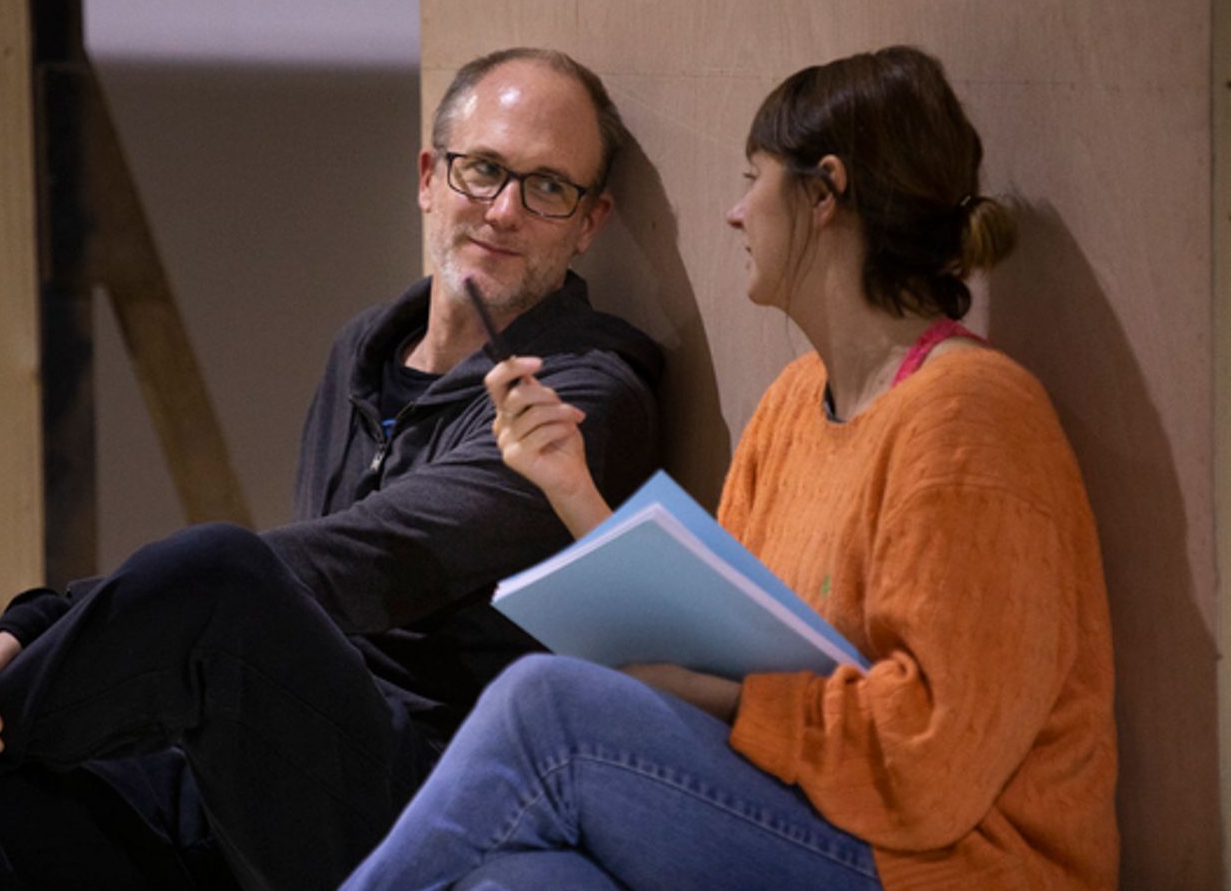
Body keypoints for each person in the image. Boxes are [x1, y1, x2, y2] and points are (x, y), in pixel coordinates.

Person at [0, 47, 663, 890]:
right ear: (428, 177)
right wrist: (40, 628)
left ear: (590, 222)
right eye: (482, 169)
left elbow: (354, 564)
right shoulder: (364, 350)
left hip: (435, 801)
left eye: (547, 187)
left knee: (222, 573)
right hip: (266, 766)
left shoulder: (578, 397)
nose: (504, 210)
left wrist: (44, 617)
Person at [341, 46, 1119, 890]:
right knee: (522, 883)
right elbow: (714, 637)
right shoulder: (793, 402)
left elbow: (936, 762)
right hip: (807, 816)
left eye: (755, 179)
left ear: (823, 192)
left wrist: (726, 699)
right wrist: (570, 484)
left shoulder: (972, 417)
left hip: (948, 864)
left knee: (545, 707)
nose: (737, 213)